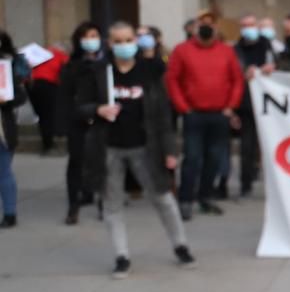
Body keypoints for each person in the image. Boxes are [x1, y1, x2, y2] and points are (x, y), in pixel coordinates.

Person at [79, 23, 194, 278]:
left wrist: (170, 150)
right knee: (112, 203)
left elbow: (163, 115)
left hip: (146, 147)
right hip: (108, 147)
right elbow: (80, 105)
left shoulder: (150, 71)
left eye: (128, 39)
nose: (124, 45)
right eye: (118, 41)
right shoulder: (99, 72)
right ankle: (121, 256)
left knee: (163, 197)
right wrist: (97, 110)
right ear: (110, 44)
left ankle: (180, 245)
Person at [167, 14, 243, 220]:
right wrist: (183, 107)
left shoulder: (226, 51)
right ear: (194, 28)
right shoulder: (182, 50)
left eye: (211, 25)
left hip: (220, 113)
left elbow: (237, 80)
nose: (206, 28)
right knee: (192, 158)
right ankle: (185, 199)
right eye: (202, 25)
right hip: (194, 113)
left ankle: (206, 197)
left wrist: (231, 106)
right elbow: (172, 80)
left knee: (215, 158)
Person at [60, 22, 102, 224]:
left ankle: (102, 201)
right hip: (77, 119)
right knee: (76, 162)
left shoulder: (106, 63)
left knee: (102, 161)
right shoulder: (71, 66)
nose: (91, 40)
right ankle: (73, 206)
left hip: (102, 117)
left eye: (94, 36)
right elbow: (66, 96)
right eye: (86, 36)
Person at [233, 14, 276, 197]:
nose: (247, 28)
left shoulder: (267, 45)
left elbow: (277, 65)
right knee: (247, 146)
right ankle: (245, 183)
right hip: (246, 103)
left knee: (271, 145)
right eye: (244, 25)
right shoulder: (236, 48)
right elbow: (233, 72)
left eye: (250, 25)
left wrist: (269, 68)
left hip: (268, 102)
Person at [0, 32, 29, 228]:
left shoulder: (7, 68)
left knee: (3, 172)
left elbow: (20, 97)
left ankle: (10, 213)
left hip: (3, 128)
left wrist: (6, 100)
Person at [27, 42, 63, 155]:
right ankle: (49, 145)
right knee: (48, 116)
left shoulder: (38, 55)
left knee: (42, 116)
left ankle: (47, 143)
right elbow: (66, 70)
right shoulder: (59, 55)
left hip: (31, 86)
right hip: (48, 85)